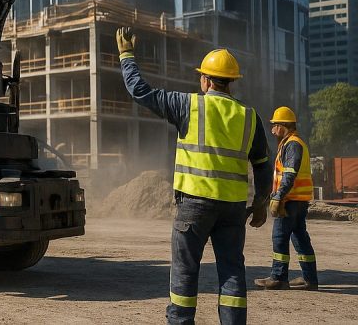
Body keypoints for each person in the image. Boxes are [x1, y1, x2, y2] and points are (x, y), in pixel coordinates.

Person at [116, 28, 272, 325]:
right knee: (232, 272)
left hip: (194, 205)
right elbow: (263, 166)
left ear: (205, 79)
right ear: (232, 84)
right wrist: (262, 203)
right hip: (233, 209)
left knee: (186, 270)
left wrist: (126, 56)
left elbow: (140, 91)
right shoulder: (250, 117)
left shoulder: (188, 104)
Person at [254, 106, 318, 290]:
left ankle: (279, 277)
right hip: (298, 200)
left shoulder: (293, 144)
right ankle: (310, 279)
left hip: (290, 200)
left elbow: (289, 174)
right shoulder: (293, 143)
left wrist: (278, 197)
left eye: (275, 125)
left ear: (283, 126)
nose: (272, 129)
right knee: (300, 239)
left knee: (279, 237)